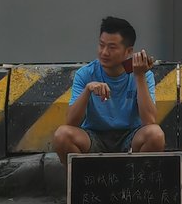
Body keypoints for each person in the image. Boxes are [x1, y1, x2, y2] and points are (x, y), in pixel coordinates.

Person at [53, 17, 165, 161]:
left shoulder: (143, 75)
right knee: (62, 135)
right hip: (94, 136)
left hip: (130, 136)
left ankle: (136, 181)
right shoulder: (86, 74)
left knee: (155, 135)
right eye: (101, 45)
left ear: (128, 51)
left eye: (112, 47)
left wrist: (139, 76)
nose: (104, 52)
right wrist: (88, 91)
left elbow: (149, 121)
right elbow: (71, 122)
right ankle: (85, 182)